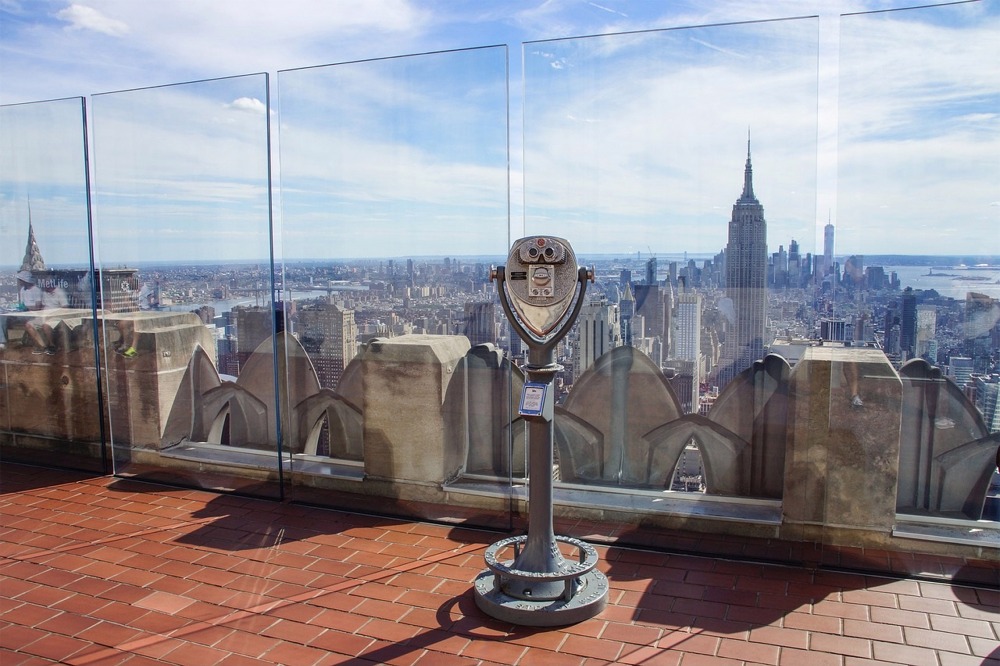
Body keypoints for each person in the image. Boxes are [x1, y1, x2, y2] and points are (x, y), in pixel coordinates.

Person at [24, 278, 69, 355]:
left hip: (56, 316)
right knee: (28, 325)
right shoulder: (44, 293)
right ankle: (43, 346)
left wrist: (53, 313)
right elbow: (43, 306)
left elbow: (65, 308)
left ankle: (52, 346)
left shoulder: (60, 292)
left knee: (46, 325)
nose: (45, 287)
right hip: (44, 316)